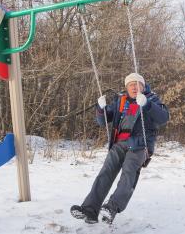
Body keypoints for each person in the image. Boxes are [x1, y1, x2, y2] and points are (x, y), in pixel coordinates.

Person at [70, 73, 169, 224]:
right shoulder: (120, 100)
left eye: (138, 84)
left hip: (140, 145)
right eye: (131, 85)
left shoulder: (152, 99)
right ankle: (89, 210)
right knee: (105, 173)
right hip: (119, 144)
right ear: (127, 87)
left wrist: (148, 105)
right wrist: (100, 108)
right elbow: (103, 121)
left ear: (143, 86)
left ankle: (112, 207)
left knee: (128, 173)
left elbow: (163, 118)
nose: (135, 87)